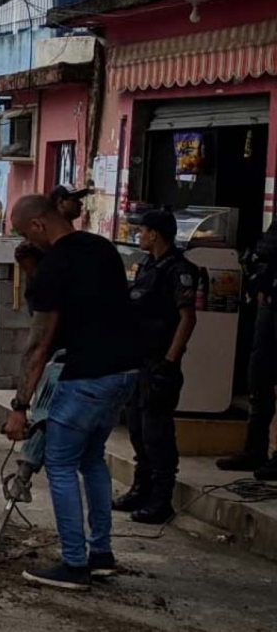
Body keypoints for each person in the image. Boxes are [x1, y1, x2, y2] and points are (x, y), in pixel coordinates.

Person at [6, 194, 141, 591]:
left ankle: (74, 563)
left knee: (62, 464)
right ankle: (101, 554)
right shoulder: (102, 248)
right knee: (92, 460)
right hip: (125, 371)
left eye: (23, 233)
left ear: (38, 226)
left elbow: (39, 343)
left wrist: (20, 406)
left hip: (87, 375)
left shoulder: (55, 268)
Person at [112, 211, 198, 524]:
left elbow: (187, 318)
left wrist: (170, 362)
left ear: (156, 234)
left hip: (160, 362)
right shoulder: (148, 265)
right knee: (136, 427)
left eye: (143, 231)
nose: (139, 236)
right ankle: (141, 489)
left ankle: (161, 499)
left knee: (157, 433)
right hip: (139, 359)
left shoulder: (179, 270)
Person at [218, 218, 277, 480]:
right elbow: (266, 249)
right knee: (259, 378)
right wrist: (261, 281)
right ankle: (255, 449)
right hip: (270, 303)